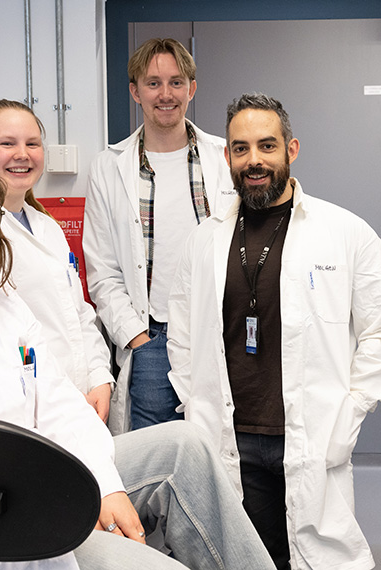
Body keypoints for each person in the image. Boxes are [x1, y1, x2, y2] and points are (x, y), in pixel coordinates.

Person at [0, 153, 277, 570]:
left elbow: (60, 402)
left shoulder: (2, 302)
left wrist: (104, 484)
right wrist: (83, 496)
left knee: (186, 445)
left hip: (44, 476)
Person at [167, 93, 381, 570]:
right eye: (240, 148)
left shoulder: (345, 231)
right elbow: (183, 336)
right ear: (227, 157)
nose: (254, 160)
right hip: (231, 433)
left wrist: (352, 409)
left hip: (311, 432)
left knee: (318, 555)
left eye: (266, 146)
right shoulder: (204, 240)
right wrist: (196, 403)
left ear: (291, 150)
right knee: (248, 558)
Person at [84, 38, 234, 434]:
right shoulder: (108, 167)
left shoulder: (224, 158)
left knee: (221, 452)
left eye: (176, 82)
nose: (165, 94)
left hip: (217, 330)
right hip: (151, 338)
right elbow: (102, 269)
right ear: (135, 91)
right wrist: (136, 338)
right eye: (153, 83)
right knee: (152, 458)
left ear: (192, 89)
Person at [0, 99, 114, 421]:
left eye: (32, 144)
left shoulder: (48, 226)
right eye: (7, 143)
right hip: (31, 409)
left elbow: (79, 314)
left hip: (81, 401)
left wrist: (100, 379)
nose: (22, 154)